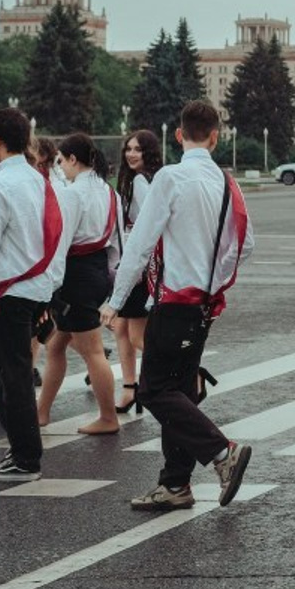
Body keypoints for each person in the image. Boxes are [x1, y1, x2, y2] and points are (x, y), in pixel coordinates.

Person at [101, 100, 255, 511]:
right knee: (180, 390)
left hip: (172, 303)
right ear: (217, 137)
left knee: (153, 389)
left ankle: (223, 453)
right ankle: (174, 483)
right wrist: (212, 280)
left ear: (179, 136)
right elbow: (246, 245)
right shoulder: (227, 183)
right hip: (203, 305)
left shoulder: (170, 178)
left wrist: (115, 301)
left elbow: (139, 243)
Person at [0, 108, 64, 482]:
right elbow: (55, 233)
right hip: (33, 286)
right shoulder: (38, 179)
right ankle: (23, 445)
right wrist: (49, 289)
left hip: (9, 292)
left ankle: (26, 457)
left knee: (13, 374)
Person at [36, 134, 120, 435]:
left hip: (75, 274)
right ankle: (41, 411)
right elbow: (117, 242)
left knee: (92, 351)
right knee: (56, 344)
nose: (61, 167)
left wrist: (49, 285)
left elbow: (61, 242)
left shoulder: (73, 194)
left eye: (61, 161)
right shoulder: (109, 192)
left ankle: (109, 417)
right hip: (97, 270)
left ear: (72, 159)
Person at [110, 130, 164, 416]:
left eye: (138, 150)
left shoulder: (142, 182)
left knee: (136, 337)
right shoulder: (145, 179)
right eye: (128, 149)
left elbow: (147, 229)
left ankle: (185, 371)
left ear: (149, 153)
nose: (131, 154)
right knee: (120, 328)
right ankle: (130, 387)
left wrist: (137, 267)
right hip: (139, 264)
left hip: (138, 266)